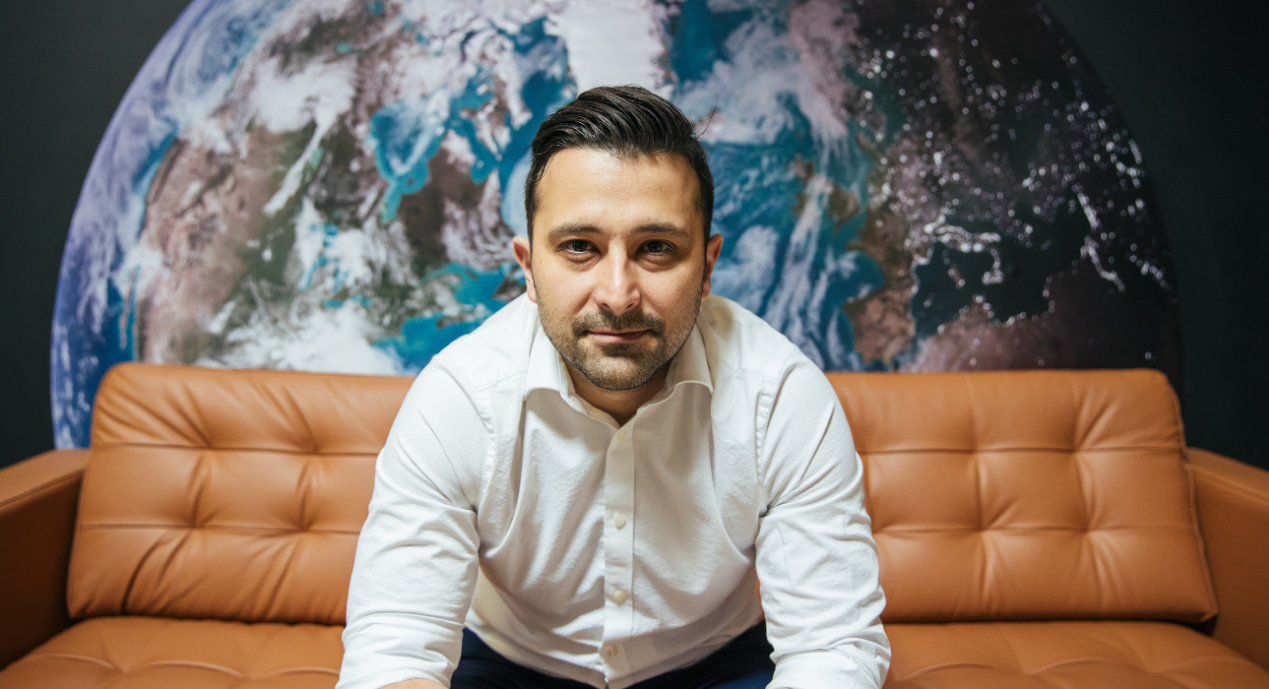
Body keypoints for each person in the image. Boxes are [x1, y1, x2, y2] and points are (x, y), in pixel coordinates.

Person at [337, 85, 890, 689]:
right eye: (580, 247)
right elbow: (393, 654)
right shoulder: (459, 397)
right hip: (507, 666)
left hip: (715, 665)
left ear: (706, 267)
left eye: (656, 248)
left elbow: (832, 647)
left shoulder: (781, 397)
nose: (618, 294)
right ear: (527, 267)